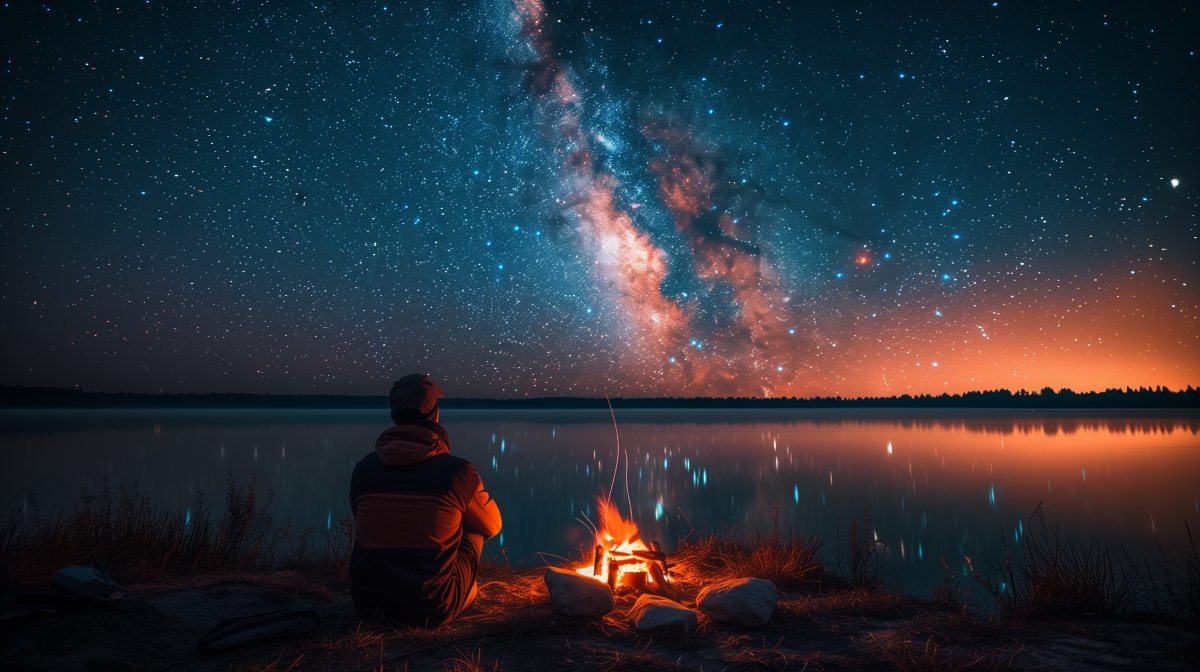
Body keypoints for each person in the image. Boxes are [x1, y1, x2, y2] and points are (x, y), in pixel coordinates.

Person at [348, 374, 501, 626]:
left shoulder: (364, 469)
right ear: (435, 415)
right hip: (432, 609)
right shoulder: (457, 472)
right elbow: (493, 526)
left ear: (394, 416)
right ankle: (462, 593)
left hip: (368, 605)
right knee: (475, 529)